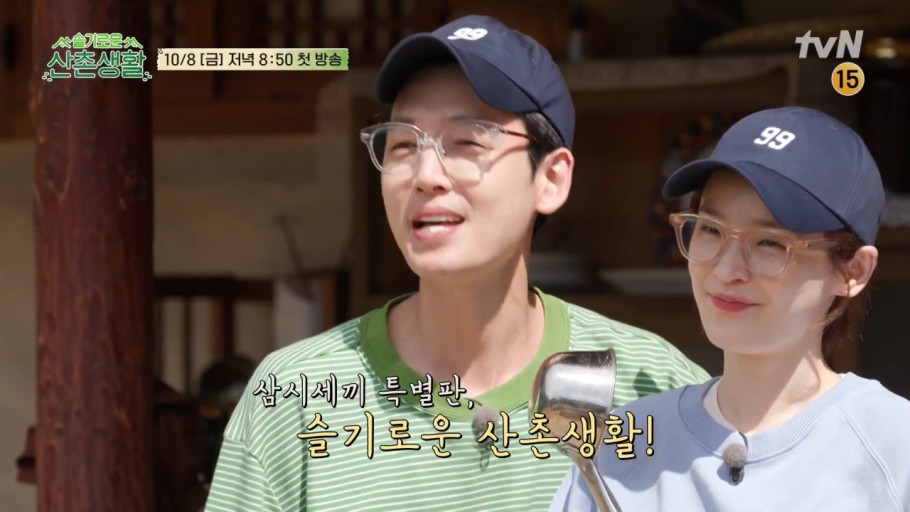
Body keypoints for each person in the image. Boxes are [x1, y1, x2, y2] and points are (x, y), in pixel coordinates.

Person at [204, 14, 709, 512]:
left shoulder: (652, 386)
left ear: (551, 179)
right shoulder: (294, 396)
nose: (426, 174)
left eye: (467, 142)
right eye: (403, 144)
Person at [549, 106, 910, 511]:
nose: (726, 269)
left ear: (853, 270)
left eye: (770, 242)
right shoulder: (617, 448)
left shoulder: (894, 448)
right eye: (710, 229)